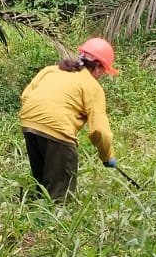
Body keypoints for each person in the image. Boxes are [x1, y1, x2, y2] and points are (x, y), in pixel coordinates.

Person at [18, 37, 119, 200]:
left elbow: (25, 96)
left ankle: (36, 207)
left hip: (29, 125)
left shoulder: (51, 70)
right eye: (104, 71)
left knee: (43, 183)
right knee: (61, 194)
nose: (102, 75)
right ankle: (54, 212)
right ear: (98, 67)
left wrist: (38, 119)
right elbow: (100, 131)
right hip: (58, 132)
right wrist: (107, 156)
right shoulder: (92, 86)